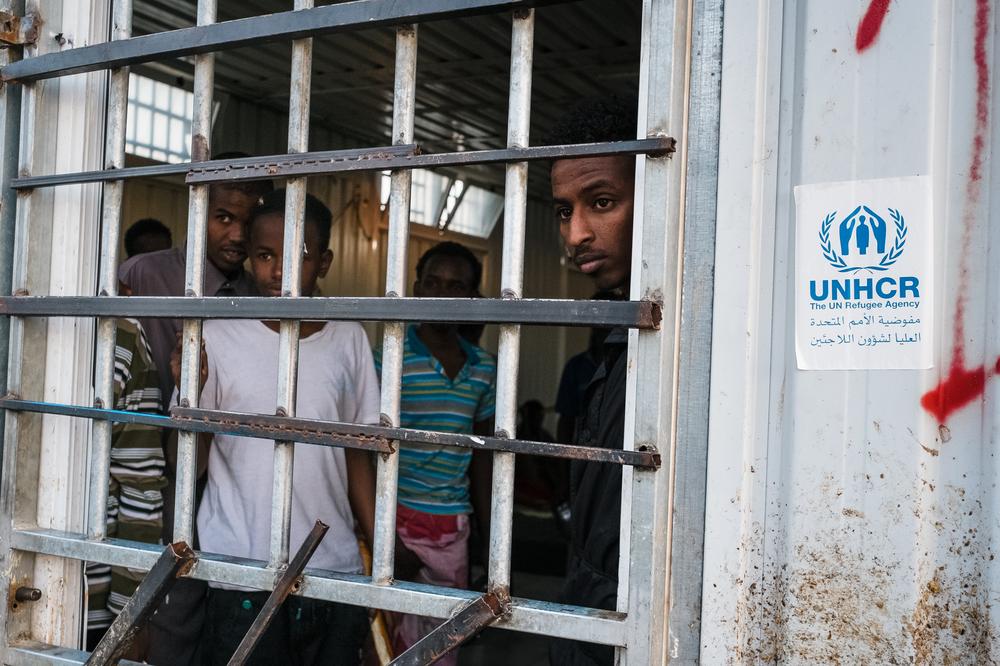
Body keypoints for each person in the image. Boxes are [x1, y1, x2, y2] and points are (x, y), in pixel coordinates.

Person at [175, 190, 377, 664]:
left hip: (331, 567)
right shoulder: (216, 335)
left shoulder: (348, 338)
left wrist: (383, 544)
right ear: (249, 258)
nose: (279, 271)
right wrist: (192, 397)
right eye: (266, 255)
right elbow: (184, 464)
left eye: (297, 256)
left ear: (324, 262)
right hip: (240, 571)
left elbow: (357, 454)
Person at [118, 154, 272, 665]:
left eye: (248, 221)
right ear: (197, 210)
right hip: (148, 473)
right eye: (223, 217)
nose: (237, 235)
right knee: (161, 610)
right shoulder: (145, 275)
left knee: (223, 610)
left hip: (228, 479)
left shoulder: (261, 295)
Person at [374, 241, 497, 665]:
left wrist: (490, 540)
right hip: (396, 519)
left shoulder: (484, 368)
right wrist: (383, 534)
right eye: (432, 283)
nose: (442, 294)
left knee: (443, 648)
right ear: (416, 289)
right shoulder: (388, 359)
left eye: (456, 286)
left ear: (473, 298)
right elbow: (367, 452)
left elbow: (484, 459)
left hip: (453, 529)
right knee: (386, 645)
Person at [547, 97, 637, 666]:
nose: (575, 233)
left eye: (602, 202)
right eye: (563, 211)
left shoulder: (693, 340)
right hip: (591, 610)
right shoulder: (617, 339)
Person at [85, 319, 166, 655]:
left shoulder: (120, 334)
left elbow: (139, 478)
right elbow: (140, 480)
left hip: (85, 599)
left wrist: (129, 617)